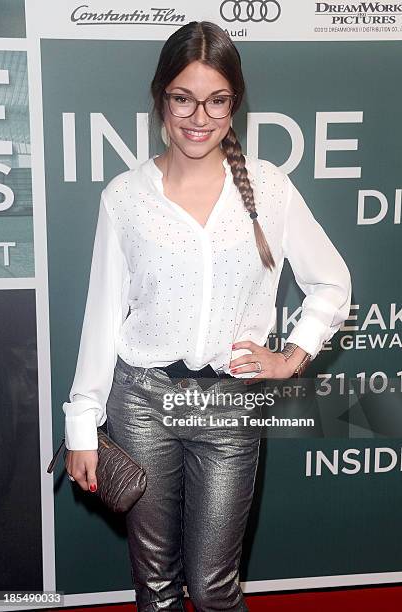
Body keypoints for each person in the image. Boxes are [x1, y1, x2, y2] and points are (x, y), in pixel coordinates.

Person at [63, 20, 352, 611]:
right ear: (159, 98)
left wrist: (292, 357)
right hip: (141, 403)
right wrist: (82, 424)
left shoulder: (270, 191)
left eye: (217, 101)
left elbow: (332, 281)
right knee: (158, 588)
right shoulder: (125, 197)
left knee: (215, 590)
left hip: (230, 406)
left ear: (235, 105)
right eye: (183, 98)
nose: (200, 117)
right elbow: (101, 318)